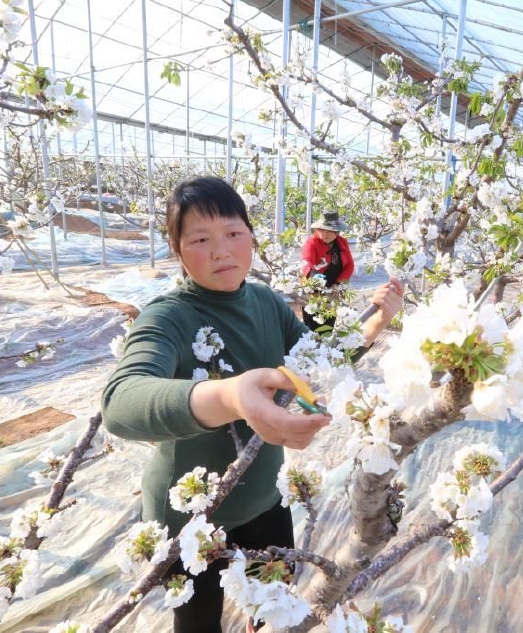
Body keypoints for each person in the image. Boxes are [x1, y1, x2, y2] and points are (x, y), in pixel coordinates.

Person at [101, 176, 402, 633]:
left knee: (273, 604)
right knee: (198, 621)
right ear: (176, 249)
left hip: (264, 497)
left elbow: (313, 366)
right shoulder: (168, 317)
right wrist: (228, 395)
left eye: (233, 233)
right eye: (200, 239)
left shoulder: (265, 302)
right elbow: (121, 401)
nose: (221, 250)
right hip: (191, 516)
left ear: (251, 237)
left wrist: (378, 322)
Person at [299, 211, 355, 332]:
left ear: (337, 232)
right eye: (322, 230)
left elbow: (349, 265)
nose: (325, 234)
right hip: (313, 291)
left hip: (333, 291)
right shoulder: (312, 243)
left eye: (329, 230)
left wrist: (338, 284)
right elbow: (306, 262)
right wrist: (314, 276)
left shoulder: (342, 242)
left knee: (328, 326)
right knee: (313, 327)